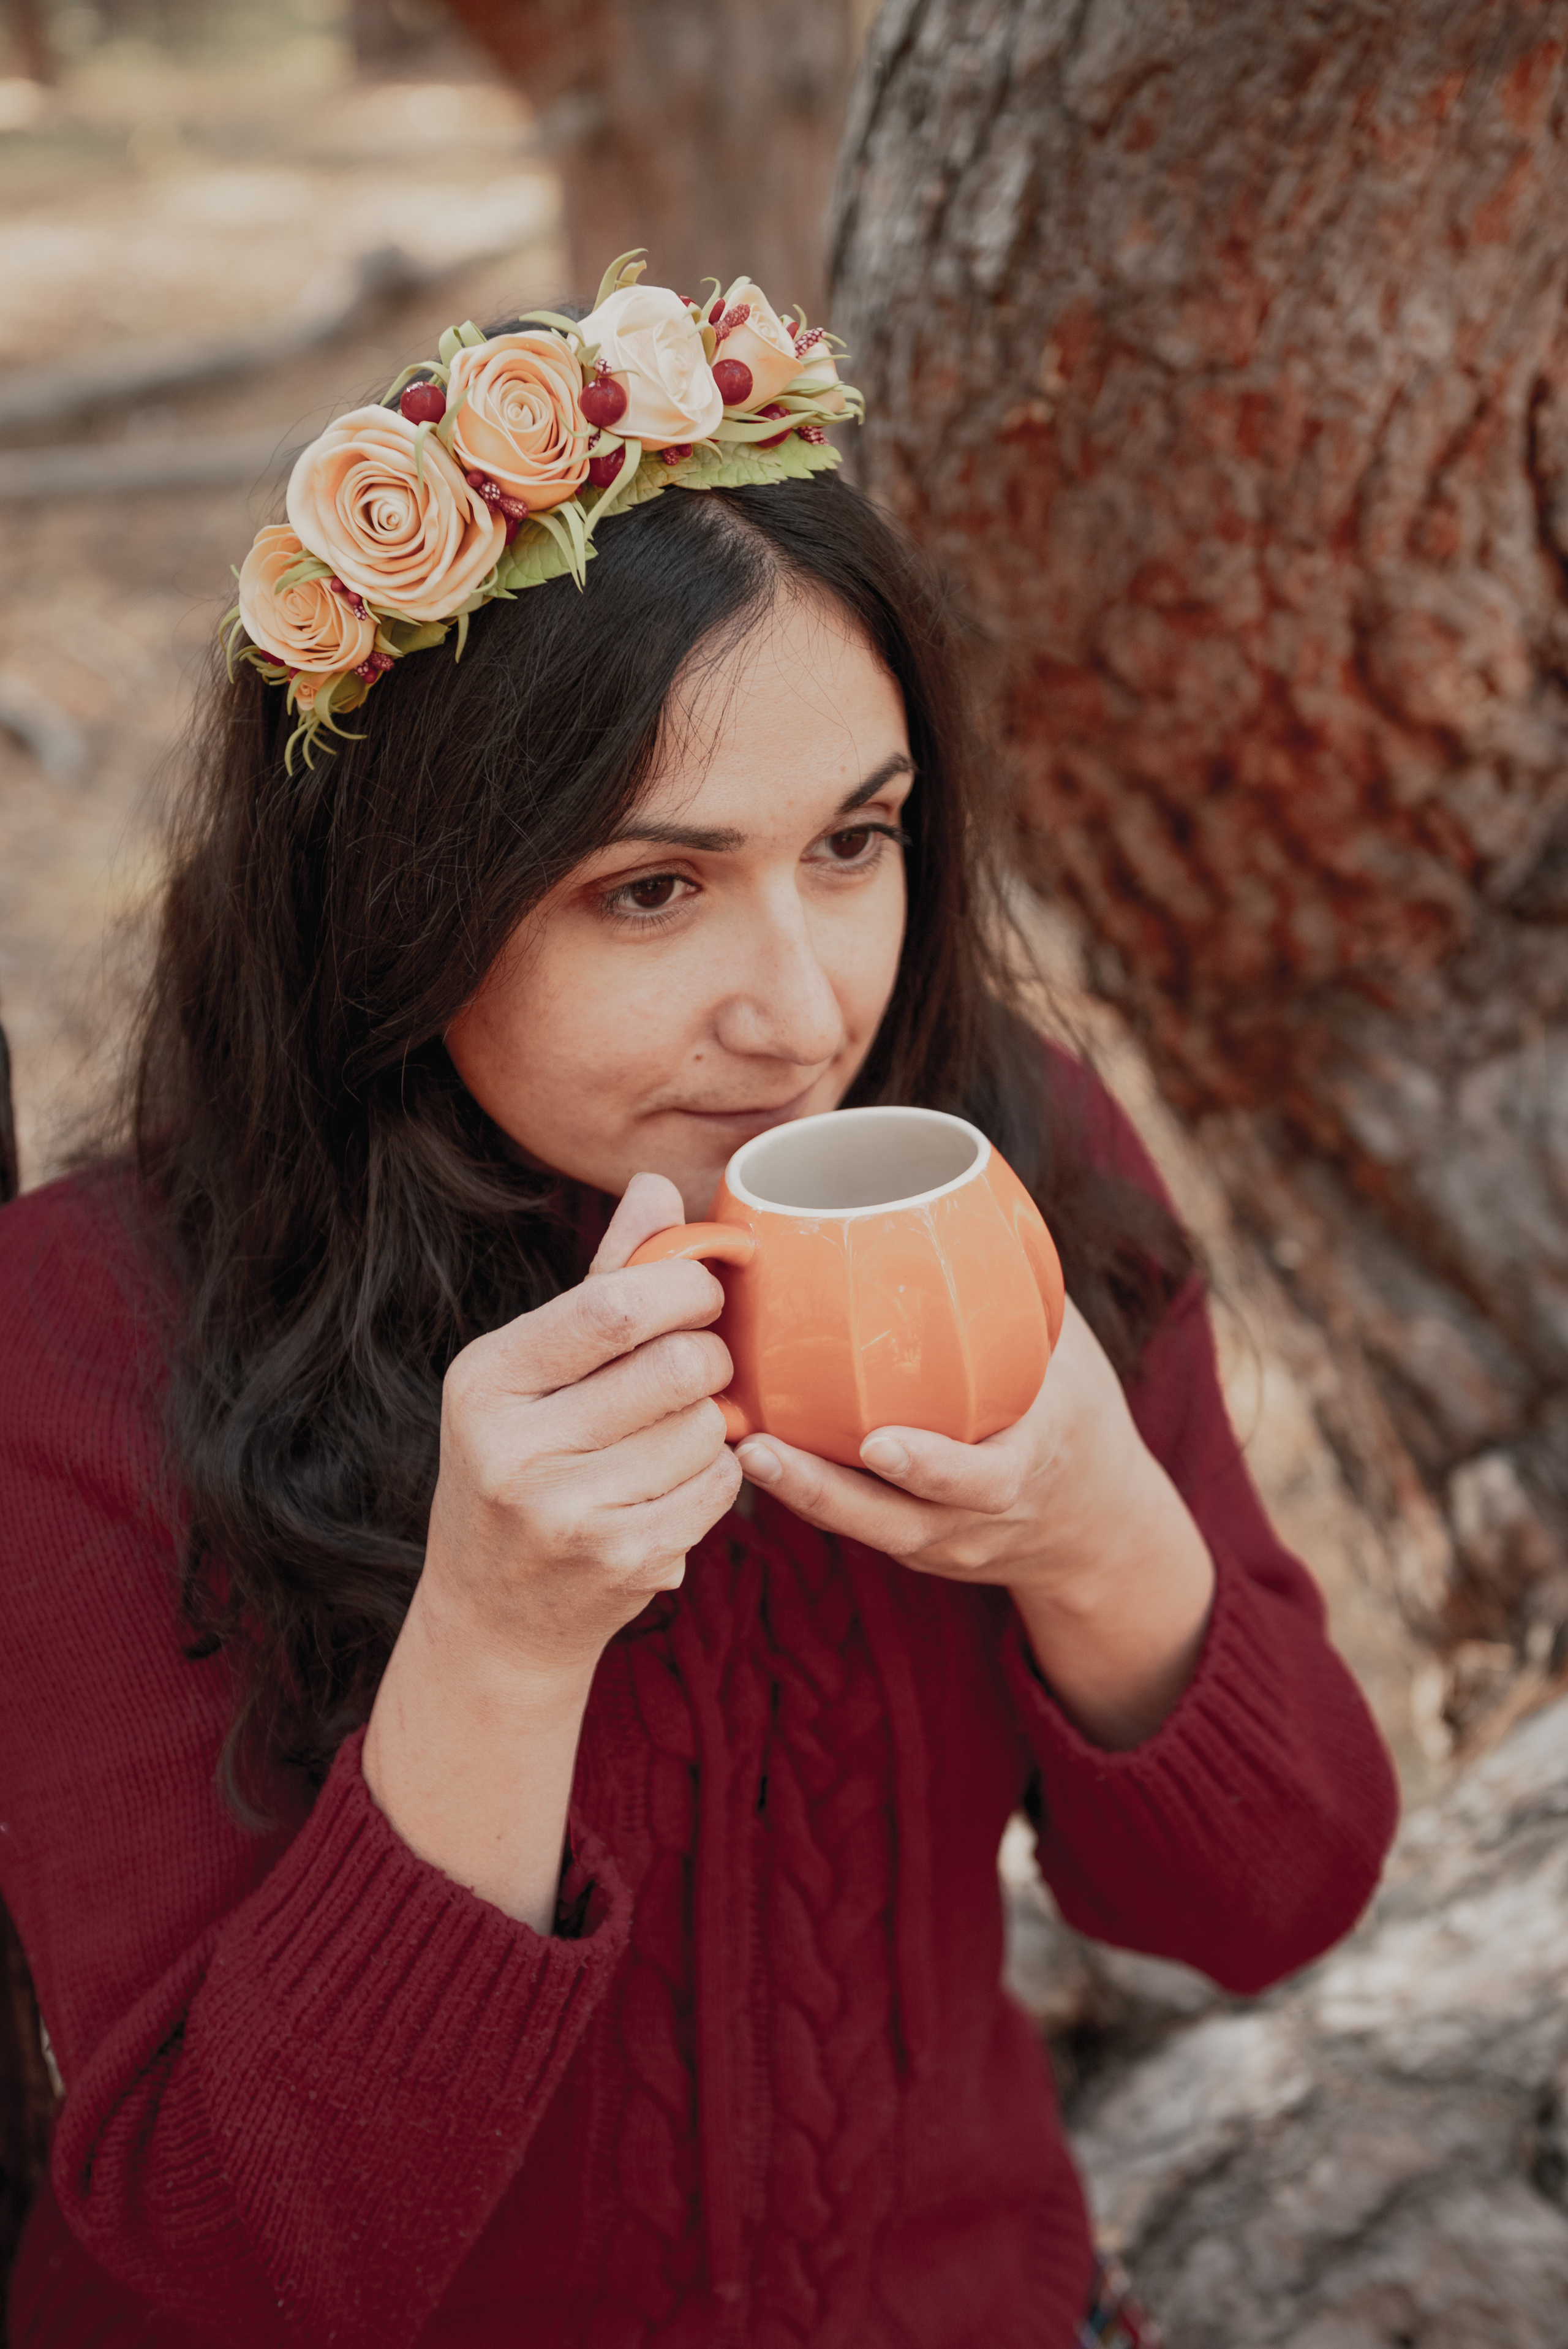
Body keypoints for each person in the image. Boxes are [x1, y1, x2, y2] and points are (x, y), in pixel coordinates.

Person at [0, 261, 1397, 2349]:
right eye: (650, 888)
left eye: (856, 841)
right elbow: (230, 2260)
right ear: (401, 894)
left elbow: (1272, 1900)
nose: (803, 1006)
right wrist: (494, 1640)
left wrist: (1096, 1525)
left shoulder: (1014, 1161)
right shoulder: (88, 1333)